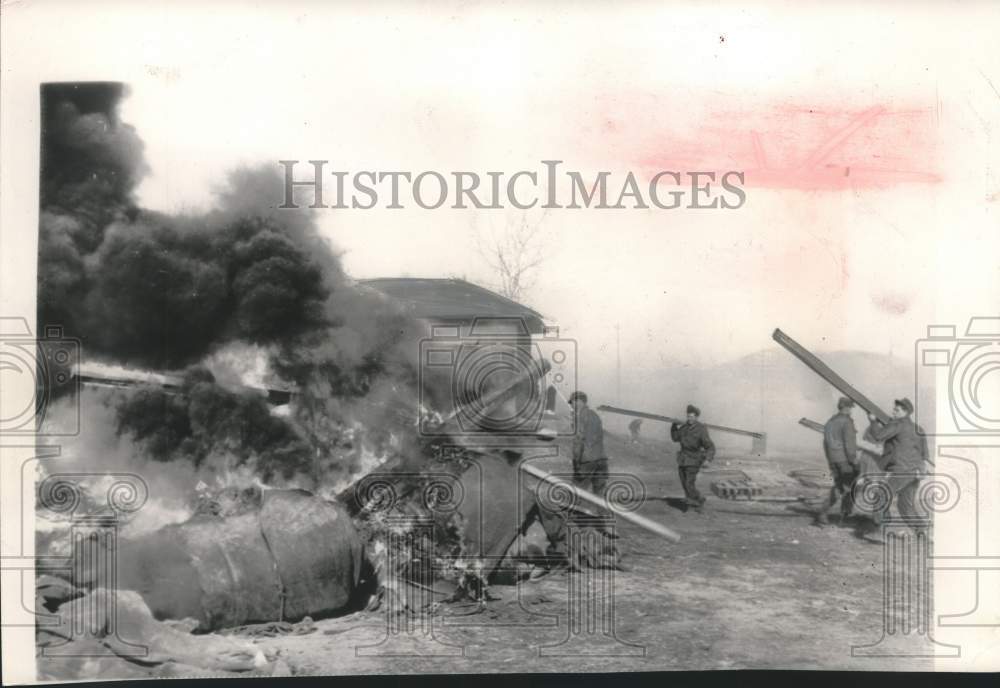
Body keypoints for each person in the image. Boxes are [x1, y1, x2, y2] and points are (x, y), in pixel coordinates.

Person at [863, 397, 930, 531]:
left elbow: (879, 436)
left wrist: (873, 422)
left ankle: (876, 529)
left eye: (897, 410)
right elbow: (925, 455)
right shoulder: (919, 429)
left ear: (905, 412)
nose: (893, 412)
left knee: (880, 495)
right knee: (904, 506)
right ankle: (921, 530)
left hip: (901, 471)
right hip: (916, 472)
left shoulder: (898, 424)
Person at [818, 397, 859, 526]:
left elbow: (825, 444)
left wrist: (830, 460)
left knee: (839, 487)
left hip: (833, 460)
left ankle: (823, 512)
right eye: (851, 408)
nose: (851, 410)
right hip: (845, 461)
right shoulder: (847, 422)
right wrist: (854, 461)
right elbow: (849, 444)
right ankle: (844, 517)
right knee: (850, 487)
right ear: (847, 408)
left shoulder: (830, 422)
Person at [670, 405, 715, 512]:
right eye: (688, 416)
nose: (689, 418)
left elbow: (710, 446)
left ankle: (699, 499)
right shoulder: (684, 427)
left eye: (691, 416)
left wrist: (708, 459)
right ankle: (691, 501)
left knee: (689, 483)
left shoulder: (701, 429)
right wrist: (674, 426)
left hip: (694, 459)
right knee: (683, 481)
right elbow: (675, 438)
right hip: (683, 459)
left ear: (696, 417)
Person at [568, 391, 609, 495]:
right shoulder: (593, 415)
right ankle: (602, 511)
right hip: (600, 459)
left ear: (579, 401)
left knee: (575, 492)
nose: (571, 405)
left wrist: (578, 463)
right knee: (599, 494)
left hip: (587, 460)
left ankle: (571, 511)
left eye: (572, 402)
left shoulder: (582, 416)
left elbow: (583, 441)